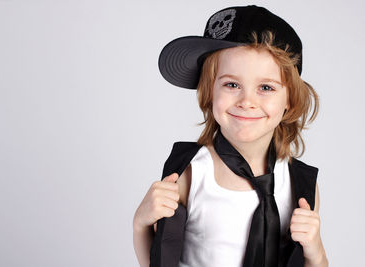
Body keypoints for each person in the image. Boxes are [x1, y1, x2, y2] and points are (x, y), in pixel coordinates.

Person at [133, 5, 328, 267]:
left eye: (266, 87)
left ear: (290, 102)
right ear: (209, 92)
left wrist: (314, 250)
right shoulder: (190, 175)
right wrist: (140, 224)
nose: (247, 101)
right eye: (232, 84)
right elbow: (158, 261)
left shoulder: (300, 184)